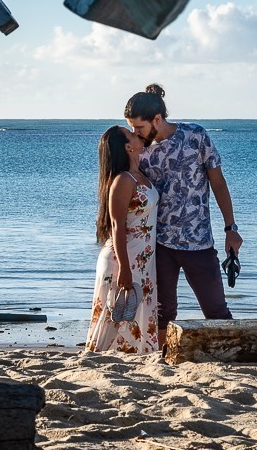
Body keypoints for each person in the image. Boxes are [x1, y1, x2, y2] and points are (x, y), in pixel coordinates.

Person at [124, 84, 241, 333]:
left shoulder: (195, 136)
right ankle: (164, 360)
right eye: (131, 127)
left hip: (198, 242)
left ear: (157, 118)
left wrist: (230, 227)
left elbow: (218, 183)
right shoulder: (139, 151)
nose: (135, 132)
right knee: (164, 312)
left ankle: (233, 356)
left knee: (216, 310)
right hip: (159, 243)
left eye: (139, 127)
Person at [85, 126, 160, 353]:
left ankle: (137, 354)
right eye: (132, 134)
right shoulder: (123, 180)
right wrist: (125, 268)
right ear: (128, 146)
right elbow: (117, 226)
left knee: (131, 312)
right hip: (123, 259)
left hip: (141, 257)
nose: (137, 134)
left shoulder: (140, 175)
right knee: (114, 315)